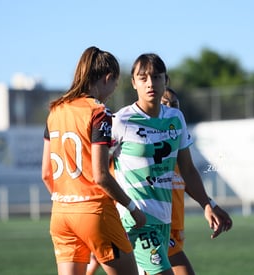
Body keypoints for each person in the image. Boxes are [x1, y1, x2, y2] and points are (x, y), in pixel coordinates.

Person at [110, 53, 230, 275]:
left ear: (165, 80)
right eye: (143, 78)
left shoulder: (176, 118)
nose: (150, 83)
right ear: (133, 83)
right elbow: (97, 169)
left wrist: (207, 204)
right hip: (136, 220)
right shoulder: (120, 121)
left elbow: (187, 169)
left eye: (156, 77)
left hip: (164, 219)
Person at [41, 46, 146, 275]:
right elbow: (100, 175)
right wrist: (132, 208)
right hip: (94, 212)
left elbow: (46, 174)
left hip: (60, 214)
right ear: (107, 78)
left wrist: (68, 201)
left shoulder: (55, 111)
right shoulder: (99, 112)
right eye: (115, 84)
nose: (112, 91)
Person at [161, 87, 233, 275]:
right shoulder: (146, 143)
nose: (171, 108)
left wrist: (210, 205)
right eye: (164, 104)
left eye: (175, 104)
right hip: (152, 227)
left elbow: (187, 177)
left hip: (173, 228)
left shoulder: (176, 144)